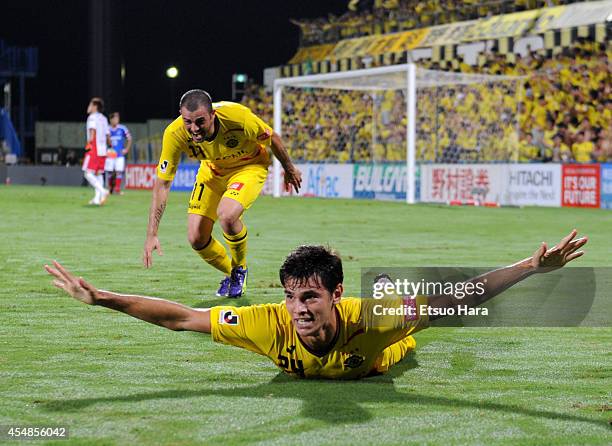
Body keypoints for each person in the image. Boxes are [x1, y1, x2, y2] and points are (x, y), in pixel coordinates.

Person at [46, 230, 586, 380]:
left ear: (336, 295)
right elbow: (182, 317)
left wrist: (530, 267)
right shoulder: (267, 323)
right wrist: (103, 299)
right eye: (290, 295)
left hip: (382, 355)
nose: (298, 308)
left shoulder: (373, 319)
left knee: (413, 332)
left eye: (309, 296)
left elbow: (457, 298)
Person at [142, 89, 302, 298]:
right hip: (212, 171)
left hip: (248, 167)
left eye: (200, 121)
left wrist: (289, 168)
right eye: (187, 122)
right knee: (196, 238)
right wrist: (152, 233)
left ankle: (239, 268)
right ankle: (232, 273)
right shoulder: (174, 134)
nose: (193, 129)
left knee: (227, 215)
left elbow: (272, 138)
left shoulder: (238, 117)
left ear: (212, 115)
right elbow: (162, 184)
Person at [82, 97, 110, 206]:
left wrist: (89, 144)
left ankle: (103, 191)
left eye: (90, 104)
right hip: (103, 149)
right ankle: (97, 199)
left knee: (87, 173)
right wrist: (110, 146)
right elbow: (108, 135)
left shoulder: (92, 117)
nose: (88, 107)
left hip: (94, 148)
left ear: (95, 106)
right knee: (98, 174)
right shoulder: (104, 118)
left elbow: (92, 131)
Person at [105, 112, 132, 195]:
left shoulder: (122, 128)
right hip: (110, 154)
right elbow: (107, 142)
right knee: (110, 172)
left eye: (117, 118)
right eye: (115, 119)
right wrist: (108, 137)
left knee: (119, 171)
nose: (116, 120)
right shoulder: (107, 129)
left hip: (119, 154)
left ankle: (117, 189)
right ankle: (110, 189)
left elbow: (129, 138)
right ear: (111, 120)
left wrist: (126, 149)